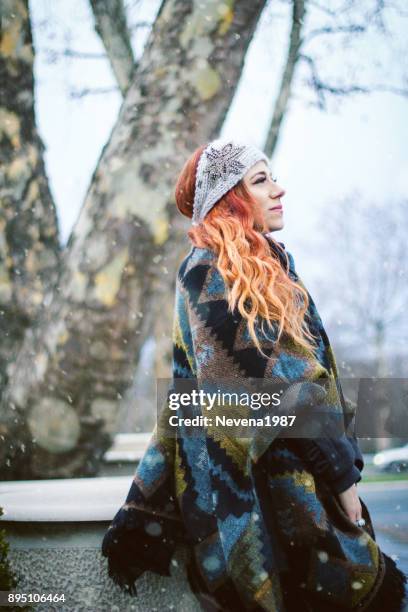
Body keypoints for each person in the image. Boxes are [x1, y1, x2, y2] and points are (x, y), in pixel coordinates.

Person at [102, 139, 407, 611]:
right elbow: (269, 393)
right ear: (230, 199)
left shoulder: (271, 268)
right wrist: (343, 480)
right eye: (261, 181)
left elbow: (306, 381)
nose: (279, 189)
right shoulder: (206, 273)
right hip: (259, 494)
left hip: (301, 476)